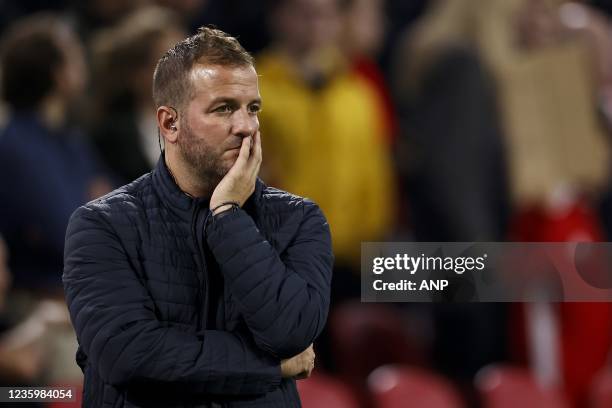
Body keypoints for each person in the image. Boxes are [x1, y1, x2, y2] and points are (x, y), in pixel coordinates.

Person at [63, 27, 333, 407]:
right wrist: (270, 368)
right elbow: (130, 357)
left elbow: (290, 334)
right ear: (169, 123)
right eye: (224, 108)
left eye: (252, 108)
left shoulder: (299, 219)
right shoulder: (102, 226)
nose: (246, 126)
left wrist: (227, 216)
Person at [0, 13, 112, 292]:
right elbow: (67, 232)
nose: (83, 62)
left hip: (83, 291)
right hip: (42, 297)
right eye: (74, 55)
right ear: (56, 73)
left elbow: (120, 200)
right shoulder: (16, 145)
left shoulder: (70, 139)